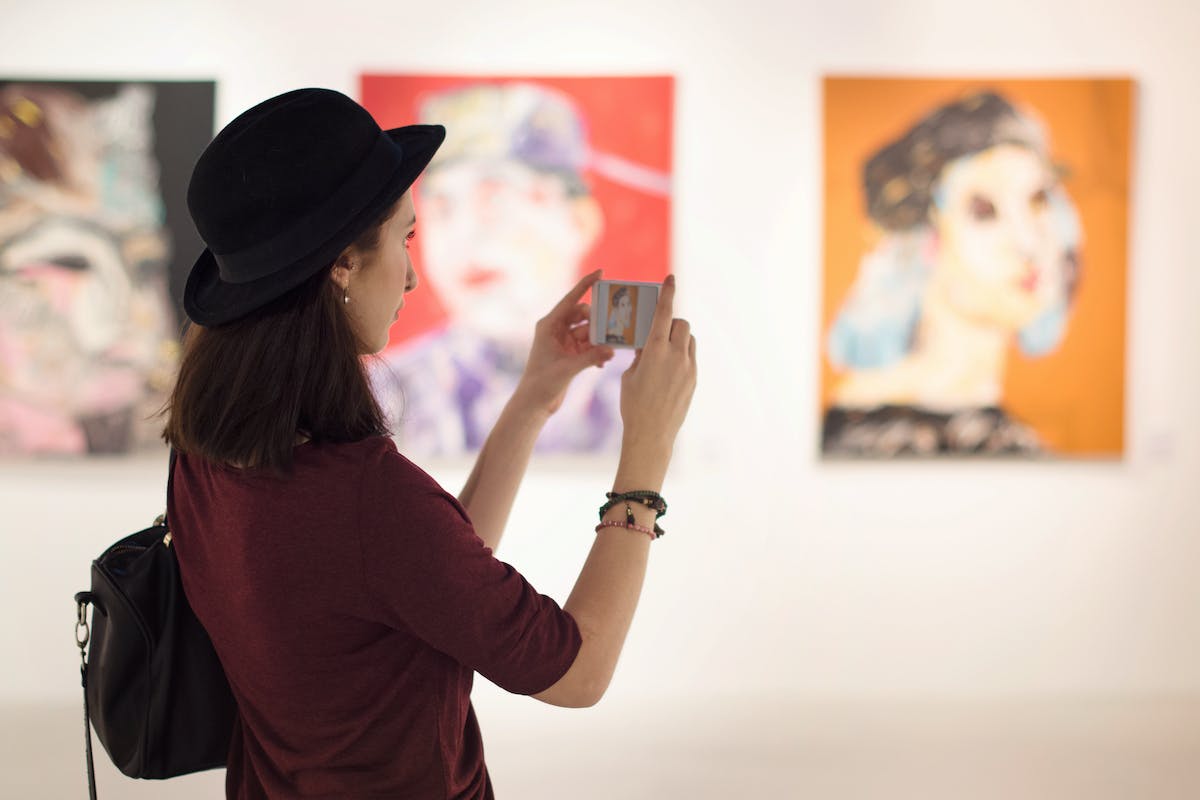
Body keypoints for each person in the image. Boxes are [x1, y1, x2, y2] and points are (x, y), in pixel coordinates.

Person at [160, 88, 696, 799]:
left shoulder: (206, 455)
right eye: (406, 235)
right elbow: (578, 671)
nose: (413, 274)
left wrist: (533, 396)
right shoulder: (363, 496)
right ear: (343, 265)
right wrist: (647, 458)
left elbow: (422, 574)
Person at [372, 82, 627, 456]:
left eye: (496, 201)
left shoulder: (631, 387)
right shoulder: (385, 392)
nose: (465, 235)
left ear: (579, 221)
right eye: (442, 209)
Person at [823, 91, 1082, 456]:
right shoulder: (857, 435)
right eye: (983, 210)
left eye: (1038, 200)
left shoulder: (1016, 445)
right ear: (927, 238)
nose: (1030, 244)